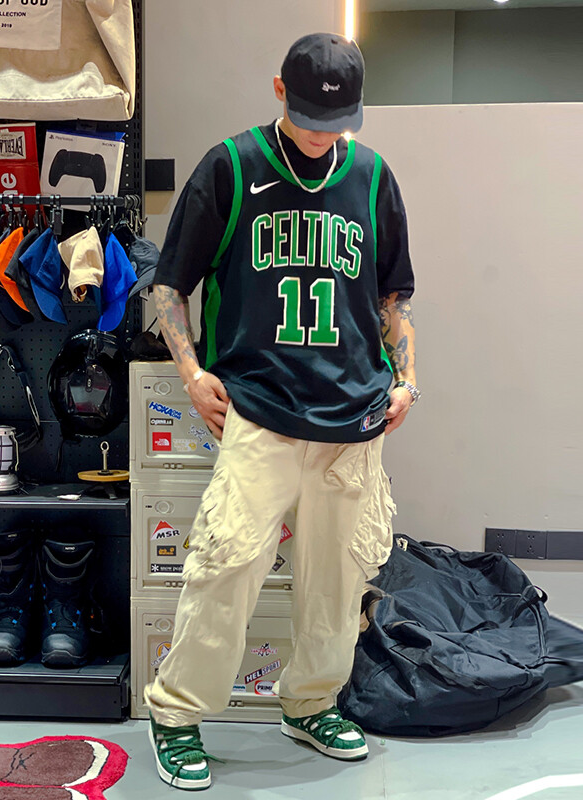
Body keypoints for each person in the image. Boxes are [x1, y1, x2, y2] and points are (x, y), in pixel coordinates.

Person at [146, 32, 418, 791]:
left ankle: (310, 703)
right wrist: (191, 372)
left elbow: (394, 296)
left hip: (354, 418)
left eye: (338, 121)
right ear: (277, 91)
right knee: (225, 565)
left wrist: (408, 379)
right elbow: (169, 284)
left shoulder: (372, 176)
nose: (323, 134)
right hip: (259, 410)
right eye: (308, 117)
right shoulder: (231, 166)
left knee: (338, 578)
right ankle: (177, 714)